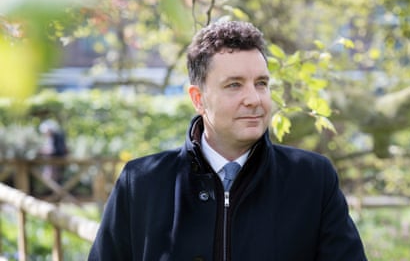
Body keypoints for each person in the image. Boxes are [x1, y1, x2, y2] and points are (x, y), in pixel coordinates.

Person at [89, 21, 367, 260]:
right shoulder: (140, 183)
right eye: (234, 85)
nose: (254, 99)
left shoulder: (313, 179)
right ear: (198, 99)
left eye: (261, 83)